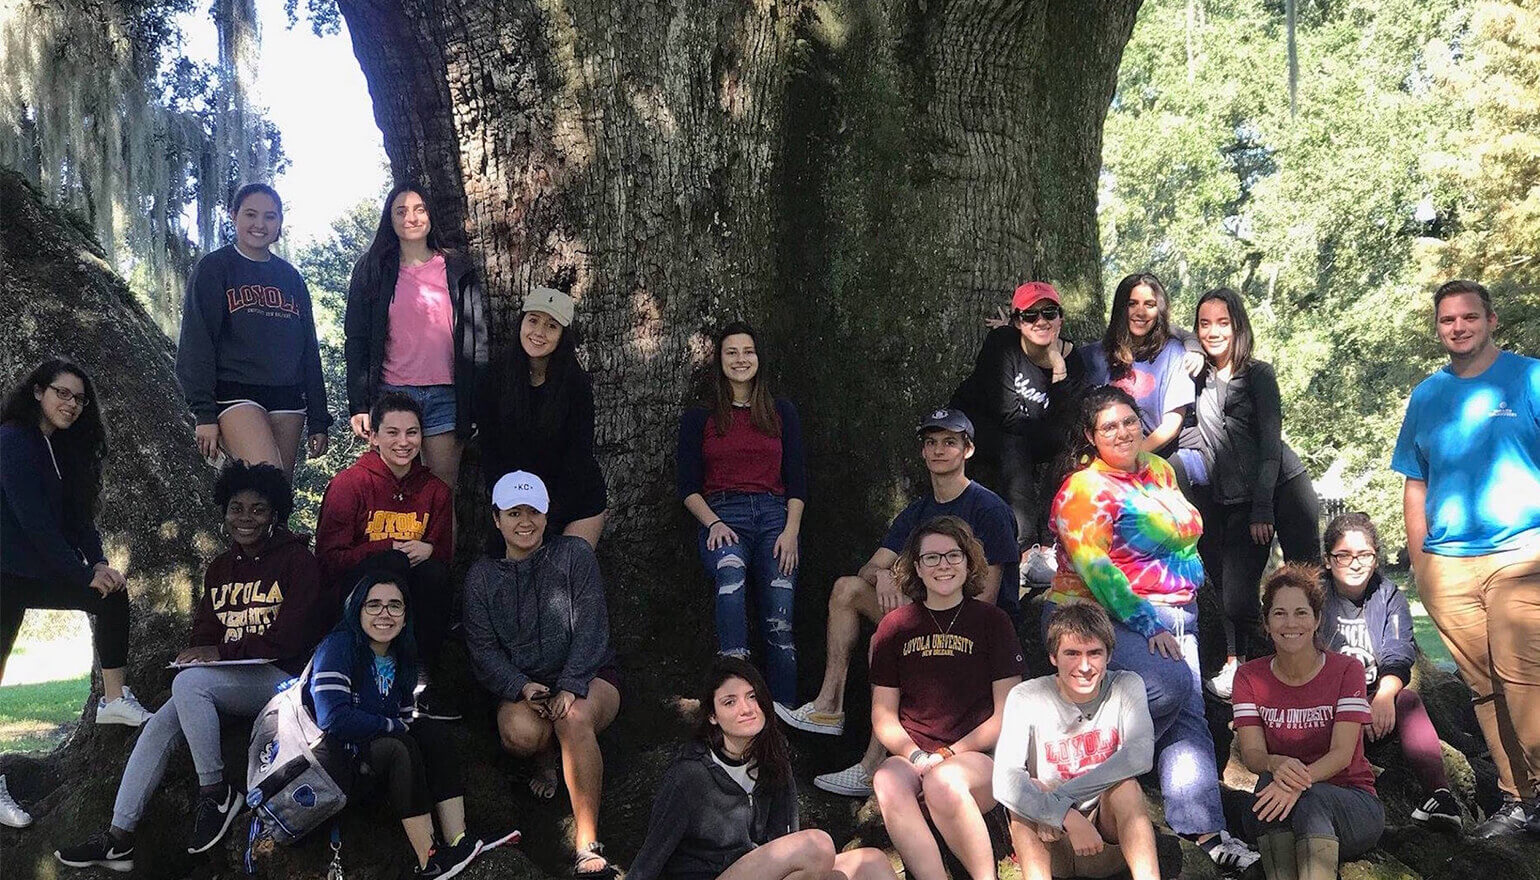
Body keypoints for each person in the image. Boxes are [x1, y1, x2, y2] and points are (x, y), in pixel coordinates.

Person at [54, 462, 327, 870]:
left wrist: (219, 655)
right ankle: (118, 837)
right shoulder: (219, 569)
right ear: (224, 512)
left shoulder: (297, 562)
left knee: (191, 687)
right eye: (237, 508)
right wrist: (196, 653)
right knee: (164, 718)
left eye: (258, 509)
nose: (246, 518)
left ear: (275, 514)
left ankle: (216, 792)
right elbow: (204, 633)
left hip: (283, 681)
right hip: (229, 681)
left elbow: (291, 638)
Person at [1046, 385, 1257, 872]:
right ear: (1090, 437)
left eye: (1128, 421)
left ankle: (1202, 830)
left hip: (1180, 611)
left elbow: (1181, 536)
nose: (1121, 432)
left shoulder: (1160, 471)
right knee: (1168, 688)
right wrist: (1146, 620)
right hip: (1098, 616)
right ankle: (1080, 785)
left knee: (1192, 716)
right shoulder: (1084, 490)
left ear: (1142, 423)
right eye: (1108, 427)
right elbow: (1096, 569)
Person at [776, 409, 1018, 801]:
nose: (939, 450)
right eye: (931, 443)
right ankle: (828, 705)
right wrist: (885, 575)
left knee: (885, 642)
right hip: (925, 613)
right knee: (848, 589)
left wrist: (916, 609)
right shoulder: (917, 512)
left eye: (950, 442)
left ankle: (872, 765)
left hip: (972, 627)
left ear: (968, 450)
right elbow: (870, 566)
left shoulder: (988, 509)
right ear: (922, 452)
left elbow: (986, 595)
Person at [1392, 278, 1540, 839]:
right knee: (1483, 687)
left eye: (1468, 318)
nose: (1458, 327)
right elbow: (1415, 481)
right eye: (1447, 320)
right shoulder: (1428, 395)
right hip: (1447, 563)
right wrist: (1423, 565)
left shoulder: (1529, 377)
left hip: (1523, 553)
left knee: (1523, 677)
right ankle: (1517, 799)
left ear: (1491, 320)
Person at [463, 471, 621, 879]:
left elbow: (592, 626)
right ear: (497, 519)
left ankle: (588, 843)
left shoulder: (574, 555)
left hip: (590, 676)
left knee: (573, 718)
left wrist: (571, 684)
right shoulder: (481, 576)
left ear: (547, 514)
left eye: (533, 511)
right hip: (525, 689)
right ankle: (545, 758)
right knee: (521, 735)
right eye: (514, 512)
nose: (525, 521)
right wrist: (519, 685)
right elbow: (482, 649)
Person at [626, 655, 897, 880]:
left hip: (763, 871)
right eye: (730, 702)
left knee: (871, 864)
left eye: (752, 696)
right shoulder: (688, 775)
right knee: (817, 846)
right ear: (712, 716)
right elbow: (649, 861)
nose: (746, 708)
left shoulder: (773, 760)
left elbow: (785, 841)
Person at [867, 516, 1023, 880]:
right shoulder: (894, 627)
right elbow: (883, 715)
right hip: (913, 756)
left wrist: (949, 755)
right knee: (887, 779)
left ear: (969, 562)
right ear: (916, 568)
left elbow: (1007, 713)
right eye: (931, 558)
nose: (943, 565)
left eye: (953, 555)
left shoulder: (993, 622)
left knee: (943, 782)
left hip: (977, 757)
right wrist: (917, 755)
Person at [1186, 288, 1321, 698]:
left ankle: (1324, 658)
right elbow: (1166, 330)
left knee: (1307, 578)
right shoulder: (1196, 376)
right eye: (1204, 324)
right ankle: (1237, 665)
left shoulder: (1258, 375)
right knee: (1233, 594)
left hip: (1282, 486)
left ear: (1238, 326)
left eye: (1222, 323)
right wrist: (1190, 343)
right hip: (1233, 498)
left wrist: (1264, 507)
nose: (1213, 332)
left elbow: (1269, 443)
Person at [1, 359, 148, 734]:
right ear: (38, 392)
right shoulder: (13, 440)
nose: (71, 404)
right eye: (61, 393)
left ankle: (114, 702)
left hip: (25, 575)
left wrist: (98, 563)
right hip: (8, 574)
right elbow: (33, 522)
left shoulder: (60, 448)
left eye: (79, 399)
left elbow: (78, 519)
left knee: (112, 593)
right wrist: (82, 575)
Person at [308, 573, 484, 879]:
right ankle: (429, 861)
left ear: (405, 616)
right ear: (357, 609)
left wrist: (396, 726)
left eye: (394, 606)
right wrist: (390, 726)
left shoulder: (402, 654)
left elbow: (405, 717)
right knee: (397, 746)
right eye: (373, 605)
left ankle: (458, 840)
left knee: (432, 732)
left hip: (375, 760)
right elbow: (333, 718)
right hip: (337, 764)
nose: (384, 614)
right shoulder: (339, 646)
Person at [677, 321, 807, 707]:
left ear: (759, 358)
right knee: (730, 579)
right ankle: (735, 705)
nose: (740, 359)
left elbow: (797, 481)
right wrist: (713, 522)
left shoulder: (781, 412)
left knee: (779, 621)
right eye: (731, 352)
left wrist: (791, 531)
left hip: (775, 518)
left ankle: (782, 723)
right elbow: (687, 487)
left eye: (747, 351)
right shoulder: (700, 418)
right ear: (719, 360)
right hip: (722, 516)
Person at [1233, 565, 1383, 879]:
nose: (1291, 623)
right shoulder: (1248, 676)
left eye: (1301, 613)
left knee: (1307, 802)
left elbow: (1342, 755)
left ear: (1316, 620)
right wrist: (1276, 764)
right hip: (1285, 796)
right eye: (1279, 613)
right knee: (1267, 795)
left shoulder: (1347, 670)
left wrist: (1297, 784)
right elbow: (1252, 756)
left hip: (1352, 803)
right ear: (1266, 622)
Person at [174, 183, 331, 477]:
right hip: (236, 394)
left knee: (279, 498)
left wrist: (319, 419)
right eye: (250, 214)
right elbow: (197, 344)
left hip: (287, 398)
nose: (260, 224)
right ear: (233, 216)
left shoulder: (291, 278)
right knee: (264, 481)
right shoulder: (215, 268)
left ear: (280, 222)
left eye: (270, 217)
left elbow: (309, 349)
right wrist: (204, 414)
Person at [994, 601, 1158, 880]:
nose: (1084, 666)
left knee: (1127, 787)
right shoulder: (1026, 696)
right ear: (1053, 657)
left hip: (1105, 835)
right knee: (1027, 791)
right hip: (1051, 835)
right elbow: (1004, 780)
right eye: (1072, 653)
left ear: (1109, 656)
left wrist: (1064, 799)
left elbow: (1140, 753)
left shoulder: (1126, 686)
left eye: (1094, 653)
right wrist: (1062, 813)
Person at [316, 392, 456, 719]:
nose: (403, 442)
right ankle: (361, 670)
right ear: (374, 436)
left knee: (434, 574)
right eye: (392, 432)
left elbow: (445, 558)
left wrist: (432, 549)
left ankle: (420, 681)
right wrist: (385, 548)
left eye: (412, 432)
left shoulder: (436, 491)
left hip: (412, 600)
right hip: (354, 595)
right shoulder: (349, 484)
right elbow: (327, 560)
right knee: (392, 563)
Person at [344, 181, 488, 496]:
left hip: (446, 397)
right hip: (392, 394)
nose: (411, 218)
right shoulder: (372, 269)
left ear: (430, 215)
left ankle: (437, 548)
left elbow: (477, 341)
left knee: (440, 493)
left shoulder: (457, 268)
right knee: (389, 490)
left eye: (419, 209)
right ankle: (391, 548)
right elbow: (355, 339)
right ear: (390, 219)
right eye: (401, 211)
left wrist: (476, 404)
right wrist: (359, 405)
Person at [1318, 512, 1459, 831]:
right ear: (1328, 560)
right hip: (1327, 702)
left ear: (1375, 557)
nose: (1355, 563)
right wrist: (1352, 706)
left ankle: (1441, 797)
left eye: (1364, 554)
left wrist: (1383, 697)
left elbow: (1399, 652)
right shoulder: (1314, 595)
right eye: (1344, 555)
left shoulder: (1388, 596)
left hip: (1374, 699)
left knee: (1407, 701)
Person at [951, 281, 1083, 576]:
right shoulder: (1002, 345)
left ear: (1060, 318)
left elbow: (1068, 419)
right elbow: (1006, 415)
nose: (1041, 322)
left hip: (1029, 432)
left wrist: (1059, 370)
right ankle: (1024, 549)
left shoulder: (1073, 359)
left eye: (1049, 313)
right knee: (1014, 444)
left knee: (1068, 445)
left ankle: (1051, 546)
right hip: (981, 426)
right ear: (1016, 322)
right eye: (1029, 316)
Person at [478, 287, 607, 548]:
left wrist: (548, 514)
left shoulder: (575, 384)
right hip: (516, 500)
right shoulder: (496, 377)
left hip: (572, 499)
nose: (538, 332)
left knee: (565, 572)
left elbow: (578, 456)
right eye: (533, 320)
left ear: (562, 336)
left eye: (551, 326)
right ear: (521, 322)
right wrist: (512, 506)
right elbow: (489, 450)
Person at [1076, 273, 1199, 460]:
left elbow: (1172, 423)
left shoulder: (1174, 353)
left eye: (1149, 305)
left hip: (1157, 454)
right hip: (1101, 457)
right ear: (1120, 308)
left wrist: (1132, 455)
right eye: (1132, 304)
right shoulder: (1091, 356)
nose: (1140, 312)